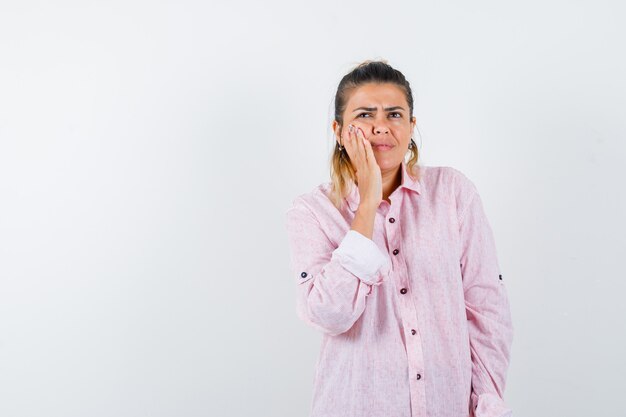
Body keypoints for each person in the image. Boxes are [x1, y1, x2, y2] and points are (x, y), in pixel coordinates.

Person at [284, 60, 514, 417]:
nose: (380, 127)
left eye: (394, 114)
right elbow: (328, 314)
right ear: (340, 129)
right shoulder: (312, 211)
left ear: (411, 126)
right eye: (364, 115)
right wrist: (367, 206)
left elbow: (486, 308)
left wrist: (485, 400)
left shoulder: (453, 193)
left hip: (446, 406)